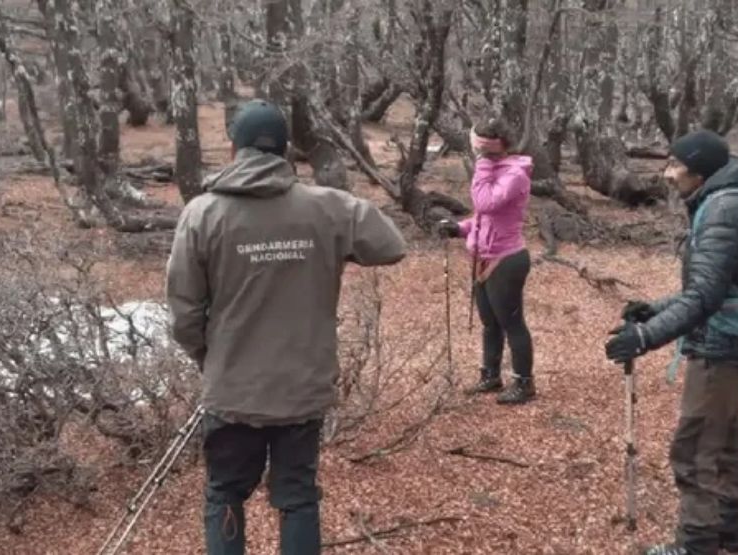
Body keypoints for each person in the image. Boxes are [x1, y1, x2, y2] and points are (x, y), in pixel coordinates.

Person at [165, 99, 407, 555]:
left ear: (234, 148)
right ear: (286, 151)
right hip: (301, 389)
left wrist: (210, 359)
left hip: (234, 389)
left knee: (226, 494)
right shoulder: (329, 208)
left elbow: (183, 313)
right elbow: (391, 245)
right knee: (297, 499)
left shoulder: (202, 214)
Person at [604, 129, 738, 555]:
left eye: (674, 165)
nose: (667, 174)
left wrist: (645, 337)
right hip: (736, 343)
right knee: (724, 445)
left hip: (723, 348)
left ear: (698, 171)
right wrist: (655, 309)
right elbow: (717, 286)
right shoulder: (726, 200)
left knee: (694, 449)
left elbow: (706, 297)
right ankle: (734, 539)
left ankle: (696, 545)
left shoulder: (722, 210)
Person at [439, 118, 536, 405]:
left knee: (512, 322)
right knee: (490, 323)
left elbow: (484, 203)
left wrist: (481, 163)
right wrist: (459, 228)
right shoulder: (494, 169)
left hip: (507, 260)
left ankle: (524, 383)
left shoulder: (515, 174)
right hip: (484, 256)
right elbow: (484, 217)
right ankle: (491, 374)